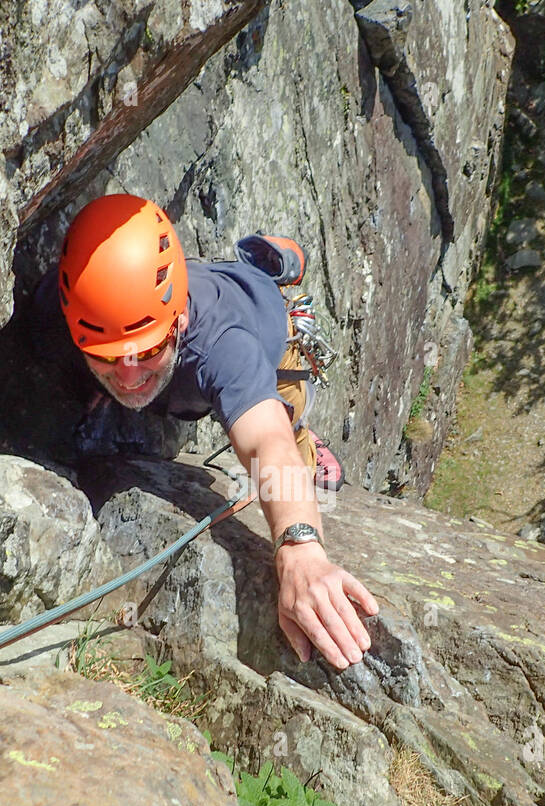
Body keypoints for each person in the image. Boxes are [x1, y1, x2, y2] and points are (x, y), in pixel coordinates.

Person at [32, 193, 377, 670]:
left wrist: (301, 549)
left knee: (285, 417)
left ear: (181, 320)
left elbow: (265, 441)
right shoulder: (66, 303)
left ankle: (306, 426)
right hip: (197, 308)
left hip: (266, 339)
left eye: (148, 349)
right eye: (106, 355)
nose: (129, 376)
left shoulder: (222, 345)